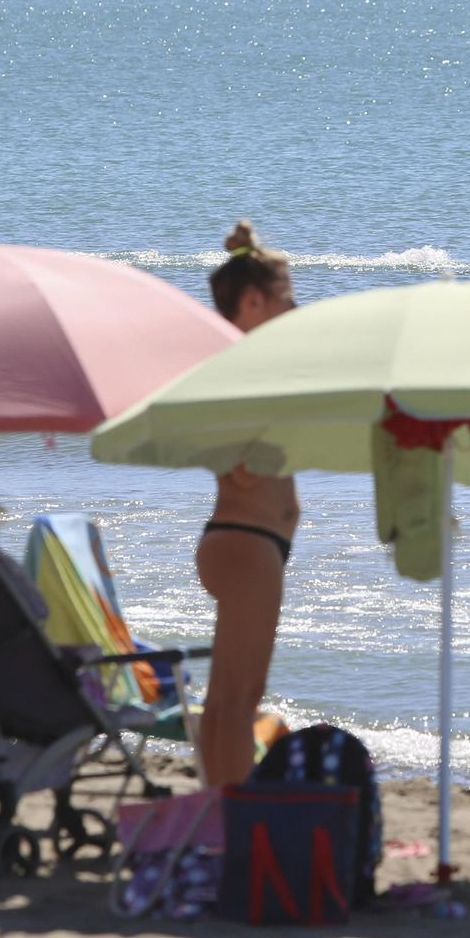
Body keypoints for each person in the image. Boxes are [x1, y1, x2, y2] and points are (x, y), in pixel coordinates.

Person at [195, 220, 300, 785]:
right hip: (248, 543)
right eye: (286, 295)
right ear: (254, 300)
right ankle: (230, 823)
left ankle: (216, 811)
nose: (295, 306)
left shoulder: (233, 367)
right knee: (240, 701)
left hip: (241, 541)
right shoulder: (241, 373)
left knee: (224, 698)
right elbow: (239, 463)